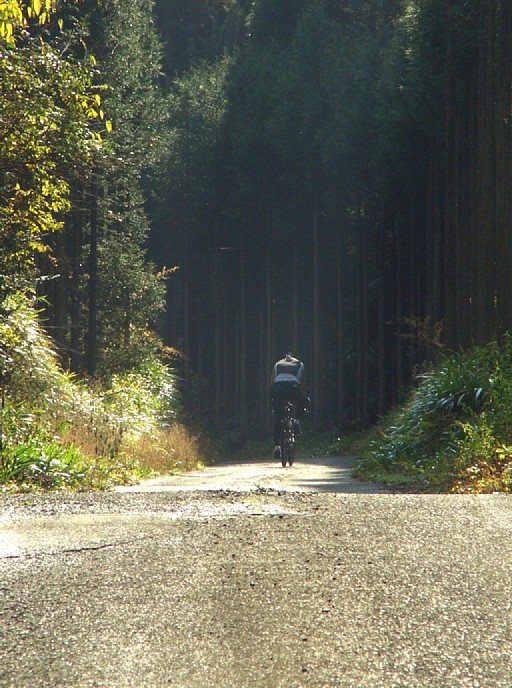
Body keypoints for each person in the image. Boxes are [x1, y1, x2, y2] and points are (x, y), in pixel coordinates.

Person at [269, 351, 309, 460]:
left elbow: (272, 381)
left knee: (278, 418)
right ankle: (297, 421)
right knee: (302, 401)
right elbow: (303, 383)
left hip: (278, 388)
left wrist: (273, 400)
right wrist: (303, 397)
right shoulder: (300, 364)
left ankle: (277, 447)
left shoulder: (277, 364)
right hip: (293, 387)